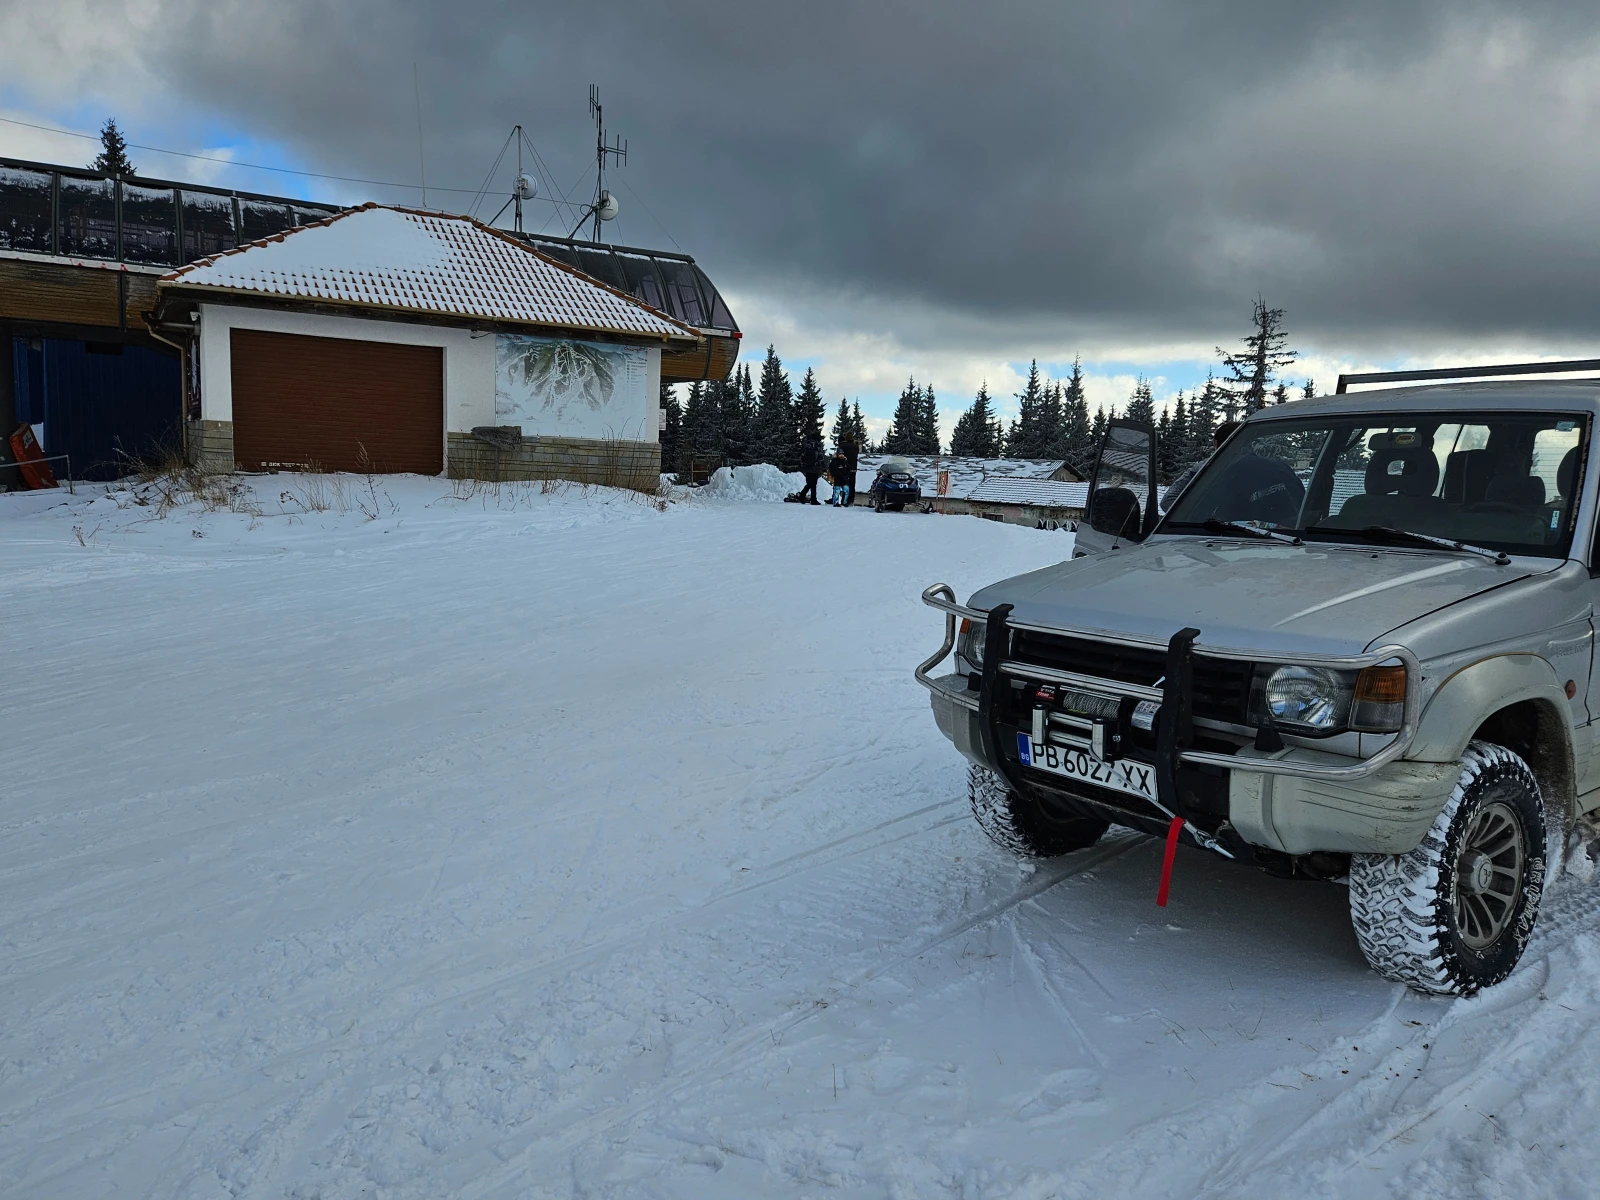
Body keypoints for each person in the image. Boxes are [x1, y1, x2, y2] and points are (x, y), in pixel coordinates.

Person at [1162, 420, 1240, 510]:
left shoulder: (1203, 469)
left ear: (1216, 443)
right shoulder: (1256, 467)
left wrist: (1195, 517)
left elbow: (1168, 500)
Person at [798, 434, 825, 505]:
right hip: (814, 467)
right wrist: (823, 466)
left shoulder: (806, 444)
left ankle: (803, 496)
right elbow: (820, 457)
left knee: (809, 483)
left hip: (806, 467)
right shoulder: (817, 445)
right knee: (813, 484)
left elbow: (801, 455)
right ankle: (812, 499)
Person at [840, 434, 859, 507]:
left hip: (845, 468)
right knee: (852, 485)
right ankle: (851, 499)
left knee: (845, 484)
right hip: (853, 468)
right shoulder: (856, 446)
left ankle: (845, 500)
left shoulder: (843, 446)